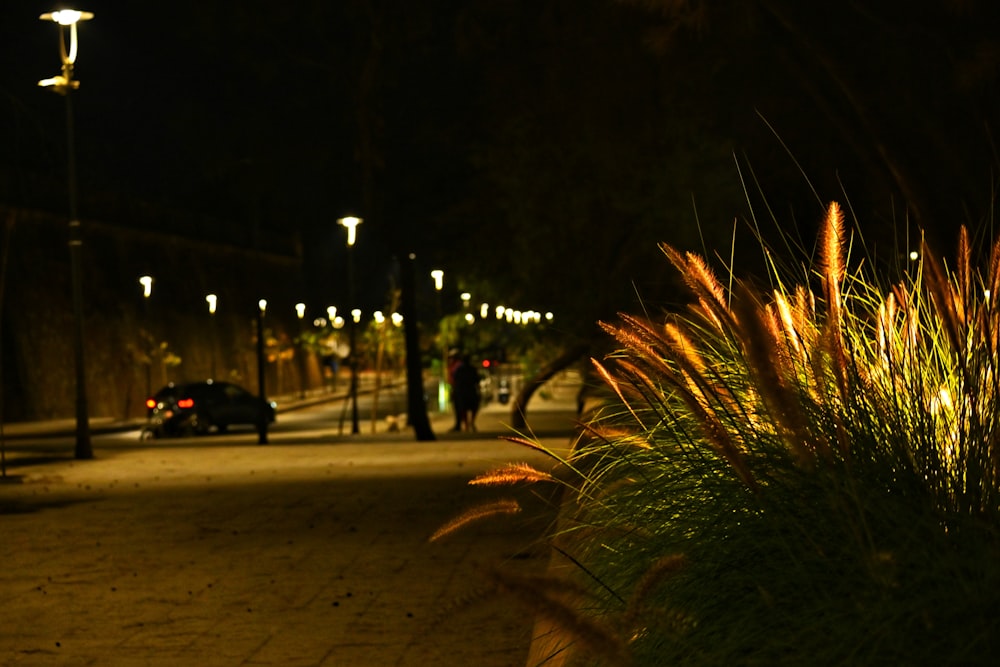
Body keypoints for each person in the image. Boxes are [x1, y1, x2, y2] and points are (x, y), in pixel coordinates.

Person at [451, 354, 481, 432]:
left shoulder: (461, 369)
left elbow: (455, 381)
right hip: (467, 391)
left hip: (464, 391)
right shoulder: (467, 369)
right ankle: (469, 423)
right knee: (467, 408)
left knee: (465, 408)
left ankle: (469, 423)